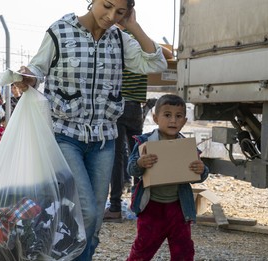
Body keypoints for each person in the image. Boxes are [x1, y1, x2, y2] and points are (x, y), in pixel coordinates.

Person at [14, 0, 167, 259]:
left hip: (104, 140)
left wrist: (133, 25)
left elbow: (156, 64)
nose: (110, 16)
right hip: (65, 136)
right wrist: (27, 76)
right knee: (87, 211)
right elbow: (38, 68)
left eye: (119, 11)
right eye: (106, 6)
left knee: (93, 224)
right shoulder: (59, 31)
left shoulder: (120, 39)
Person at [126, 94, 209, 261]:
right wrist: (141, 163)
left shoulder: (186, 147)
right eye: (167, 115)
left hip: (179, 208)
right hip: (151, 208)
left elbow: (198, 175)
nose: (173, 121)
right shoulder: (145, 142)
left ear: (184, 121)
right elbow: (131, 169)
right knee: (142, 250)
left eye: (178, 116)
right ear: (156, 118)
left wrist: (202, 170)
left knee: (184, 251)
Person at [104, 35, 174, 222]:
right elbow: (169, 53)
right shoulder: (143, 47)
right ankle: (140, 204)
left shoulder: (117, 42)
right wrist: (148, 41)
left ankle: (116, 207)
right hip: (135, 108)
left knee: (117, 158)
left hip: (117, 105)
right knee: (139, 154)